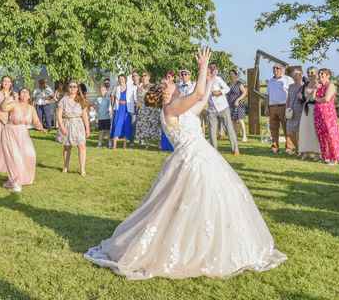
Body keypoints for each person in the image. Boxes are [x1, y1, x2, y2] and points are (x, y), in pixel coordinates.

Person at [85, 47, 287, 279]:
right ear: (165, 94)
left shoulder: (180, 109)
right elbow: (197, 92)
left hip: (202, 156)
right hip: (193, 160)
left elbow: (200, 101)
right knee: (192, 202)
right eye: (170, 85)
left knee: (208, 200)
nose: (175, 85)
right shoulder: (170, 109)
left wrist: (210, 81)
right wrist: (202, 67)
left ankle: (205, 242)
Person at [0, 88, 46, 192]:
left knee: (31, 154)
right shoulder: (15, 104)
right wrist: (6, 99)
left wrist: (39, 125)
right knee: (15, 157)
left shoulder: (31, 108)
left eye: (26, 92)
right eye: (22, 92)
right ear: (19, 95)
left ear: (29, 96)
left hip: (23, 133)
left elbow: (36, 120)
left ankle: (25, 179)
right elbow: (3, 108)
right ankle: (16, 184)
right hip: (10, 132)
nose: (24, 93)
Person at [312, 68, 339, 165]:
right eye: (319, 73)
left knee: (330, 135)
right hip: (318, 113)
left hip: (328, 114)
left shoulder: (330, 85)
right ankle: (325, 157)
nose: (320, 75)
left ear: (328, 75)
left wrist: (317, 99)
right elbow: (311, 98)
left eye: (322, 73)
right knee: (321, 135)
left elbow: (327, 99)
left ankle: (334, 158)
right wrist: (315, 89)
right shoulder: (318, 85)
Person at [56, 81, 90, 175]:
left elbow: (84, 115)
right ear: (68, 88)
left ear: (77, 88)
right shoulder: (63, 100)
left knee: (82, 146)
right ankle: (66, 166)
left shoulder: (81, 99)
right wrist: (62, 126)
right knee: (67, 147)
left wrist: (87, 128)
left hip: (78, 125)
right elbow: (59, 114)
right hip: (67, 123)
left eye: (74, 87)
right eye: (70, 86)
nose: (72, 88)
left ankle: (82, 168)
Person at [206, 64, 239, 155]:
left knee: (229, 128)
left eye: (215, 68)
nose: (213, 70)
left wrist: (220, 92)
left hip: (223, 108)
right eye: (211, 68)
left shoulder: (218, 79)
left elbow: (227, 88)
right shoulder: (204, 81)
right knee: (212, 131)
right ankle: (214, 152)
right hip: (212, 110)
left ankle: (235, 150)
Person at [265, 63, 295, 154]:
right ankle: (275, 147)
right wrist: (266, 107)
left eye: (277, 68)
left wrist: (289, 107)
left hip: (284, 106)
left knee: (287, 128)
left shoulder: (287, 79)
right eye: (273, 68)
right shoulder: (270, 81)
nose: (275, 70)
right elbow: (268, 95)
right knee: (273, 128)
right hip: (272, 107)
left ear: (282, 69)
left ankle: (289, 148)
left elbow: (292, 93)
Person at [298, 67, 321, 161]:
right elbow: (303, 98)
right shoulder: (306, 84)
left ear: (316, 73)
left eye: (312, 72)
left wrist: (311, 93)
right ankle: (305, 151)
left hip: (316, 108)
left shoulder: (319, 84)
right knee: (305, 130)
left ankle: (317, 153)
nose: (310, 74)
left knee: (315, 131)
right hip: (306, 109)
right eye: (308, 72)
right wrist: (301, 97)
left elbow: (319, 97)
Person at [110, 74, 135, 150]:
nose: (121, 80)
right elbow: (112, 97)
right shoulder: (116, 88)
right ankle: (114, 146)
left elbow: (132, 99)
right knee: (116, 124)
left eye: (122, 78)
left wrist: (132, 110)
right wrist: (111, 108)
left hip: (126, 109)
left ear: (125, 79)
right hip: (118, 109)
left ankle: (124, 145)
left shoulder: (130, 88)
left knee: (126, 126)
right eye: (119, 79)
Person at [135, 73, 159, 149]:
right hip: (142, 110)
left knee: (154, 126)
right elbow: (138, 99)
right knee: (145, 127)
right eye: (142, 76)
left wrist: (155, 107)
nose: (143, 77)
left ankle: (159, 144)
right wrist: (138, 107)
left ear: (149, 77)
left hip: (152, 109)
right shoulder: (139, 87)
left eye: (145, 76)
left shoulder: (153, 86)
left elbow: (156, 97)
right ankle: (147, 144)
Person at [285, 68, 305, 155]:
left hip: (301, 110)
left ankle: (300, 151)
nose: (294, 75)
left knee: (298, 132)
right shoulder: (291, 86)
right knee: (289, 131)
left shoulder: (305, 86)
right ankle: (298, 148)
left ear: (301, 75)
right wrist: (286, 109)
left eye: (297, 73)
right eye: (293, 74)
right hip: (291, 112)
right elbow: (288, 99)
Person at [227, 69, 248, 143]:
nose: (231, 75)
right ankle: (235, 136)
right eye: (230, 74)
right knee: (233, 121)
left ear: (236, 75)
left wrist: (238, 100)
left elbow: (244, 93)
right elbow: (227, 94)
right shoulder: (228, 84)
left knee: (240, 120)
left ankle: (244, 136)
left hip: (238, 104)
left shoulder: (239, 83)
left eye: (232, 74)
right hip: (230, 104)